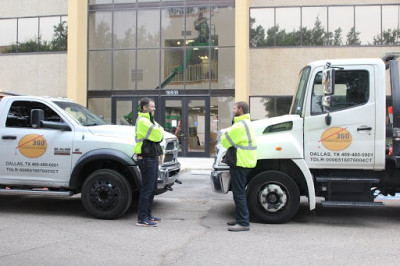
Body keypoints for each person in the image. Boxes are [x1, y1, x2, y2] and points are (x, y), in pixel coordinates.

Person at [221, 101, 257, 232]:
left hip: (240, 162)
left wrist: (224, 133)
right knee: (239, 192)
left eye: (234, 108)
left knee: (239, 193)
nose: (232, 110)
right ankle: (240, 218)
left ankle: (243, 222)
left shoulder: (240, 125)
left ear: (240, 110)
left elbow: (225, 142)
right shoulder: (246, 123)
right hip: (245, 161)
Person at [134, 98, 164, 227]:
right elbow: (159, 134)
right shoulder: (143, 121)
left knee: (152, 188)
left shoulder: (149, 120)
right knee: (147, 189)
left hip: (151, 157)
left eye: (154, 106)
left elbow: (160, 130)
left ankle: (148, 215)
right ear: (144, 108)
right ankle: (142, 219)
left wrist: (159, 130)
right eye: (152, 106)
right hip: (145, 158)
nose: (154, 108)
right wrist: (159, 131)